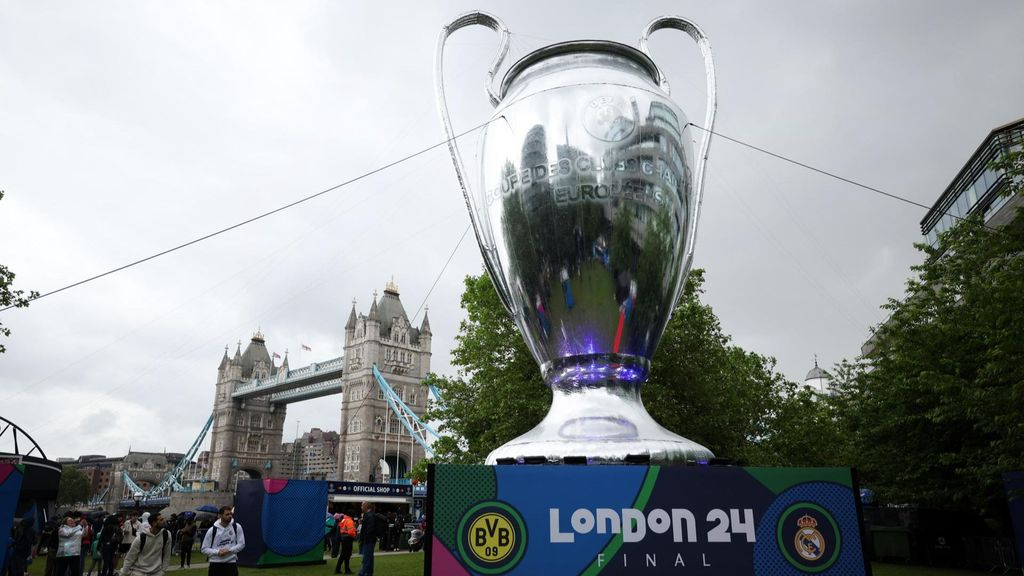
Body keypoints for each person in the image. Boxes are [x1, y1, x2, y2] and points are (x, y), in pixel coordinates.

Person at [200, 507, 244, 576]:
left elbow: (242, 544)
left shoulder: (237, 527)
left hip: (231, 563)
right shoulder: (212, 530)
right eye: (227, 514)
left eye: (231, 514)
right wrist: (218, 552)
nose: (230, 516)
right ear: (220, 516)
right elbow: (204, 549)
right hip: (215, 564)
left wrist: (229, 550)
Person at [356, 502, 384, 576]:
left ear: (366, 506)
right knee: (369, 558)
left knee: (366, 559)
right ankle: (369, 573)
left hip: (368, 540)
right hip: (370, 539)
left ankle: (362, 573)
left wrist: (364, 536)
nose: (361, 507)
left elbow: (370, 529)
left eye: (362, 505)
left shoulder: (369, 516)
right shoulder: (370, 515)